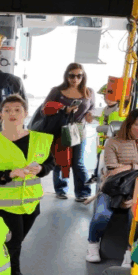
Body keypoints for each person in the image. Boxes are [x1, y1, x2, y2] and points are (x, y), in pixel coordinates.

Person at [0, 94, 55, 275]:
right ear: (0, 115)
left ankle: (15, 274)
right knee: (12, 242)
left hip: (31, 203)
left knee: (17, 241)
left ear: (26, 113)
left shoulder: (39, 140)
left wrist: (41, 169)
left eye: (17, 110)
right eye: (7, 110)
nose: (12, 114)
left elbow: (50, 163)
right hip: (6, 204)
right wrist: (9, 174)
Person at [86, 108, 138, 263]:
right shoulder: (113, 142)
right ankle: (92, 244)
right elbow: (112, 169)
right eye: (137, 124)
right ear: (129, 124)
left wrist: (129, 166)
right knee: (102, 215)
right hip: (115, 187)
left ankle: (130, 253)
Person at [42, 63, 96, 202]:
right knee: (60, 161)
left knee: (78, 162)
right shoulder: (57, 91)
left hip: (79, 130)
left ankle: (82, 192)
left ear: (83, 77)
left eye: (79, 76)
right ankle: (61, 190)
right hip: (60, 129)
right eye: (72, 76)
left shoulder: (89, 92)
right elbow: (45, 108)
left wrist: (90, 114)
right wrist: (63, 109)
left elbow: (92, 107)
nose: (75, 79)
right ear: (66, 76)